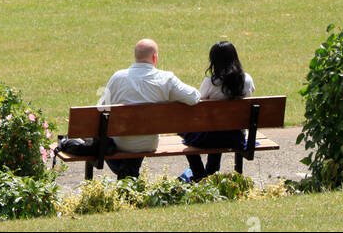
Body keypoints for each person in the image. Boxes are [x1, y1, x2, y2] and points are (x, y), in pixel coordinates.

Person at [97, 38, 200, 179]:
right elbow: (194, 97)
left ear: (135, 56)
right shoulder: (166, 79)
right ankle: (129, 173)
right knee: (137, 140)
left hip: (121, 144)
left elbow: (100, 109)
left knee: (109, 139)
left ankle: (127, 174)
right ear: (154, 57)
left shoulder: (118, 77)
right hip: (148, 143)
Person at [179, 41, 255, 182]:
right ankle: (211, 171)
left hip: (209, 138)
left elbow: (197, 105)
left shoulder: (210, 83)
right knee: (220, 126)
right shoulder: (247, 80)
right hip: (235, 137)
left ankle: (200, 174)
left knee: (183, 130)